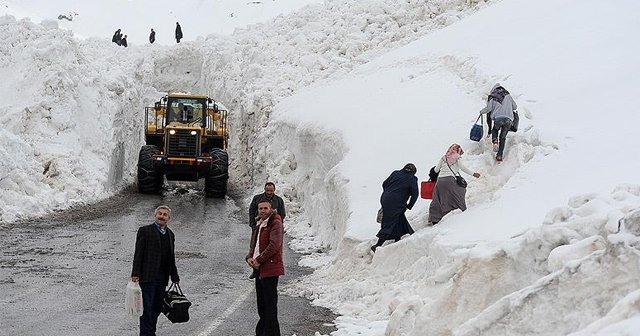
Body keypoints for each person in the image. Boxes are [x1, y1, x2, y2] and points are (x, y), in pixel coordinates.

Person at [131, 205, 180, 336]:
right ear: (155, 215)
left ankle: (151, 332)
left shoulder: (170, 234)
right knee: (146, 308)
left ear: (168, 218)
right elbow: (138, 253)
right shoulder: (145, 231)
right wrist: (135, 273)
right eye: (159, 213)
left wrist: (174, 275)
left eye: (164, 215)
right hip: (147, 277)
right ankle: (146, 334)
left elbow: (171, 257)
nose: (161, 216)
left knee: (157, 307)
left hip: (162, 278)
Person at [246, 200, 284, 336]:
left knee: (270, 305)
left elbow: (274, 245)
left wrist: (258, 260)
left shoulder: (275, 223)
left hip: (270, 268)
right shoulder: (260, 223)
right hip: (260, 269)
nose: (262, 211)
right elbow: (254, 243)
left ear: (271, 209)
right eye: (260, 208)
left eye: (265, 208)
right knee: (262, 305)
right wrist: (250, 257)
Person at [371, 163, 419, 252]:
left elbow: (384, 184)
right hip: (396, 203)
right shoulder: (412, 178)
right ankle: (377, 246)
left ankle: (398, 236)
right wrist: (409, 205)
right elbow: (415, 194)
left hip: (385, 199)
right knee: (390, 221)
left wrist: (389, 192)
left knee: (399, 217)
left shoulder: (396, 173)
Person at [428, 144, 480, 225]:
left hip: (440, 181)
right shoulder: (457, 157)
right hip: (449, 180)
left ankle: (435, 218)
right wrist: (473, 174)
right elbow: (462, 168)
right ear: (458, 150)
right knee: (459, 193)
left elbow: (436, 169)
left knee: (438, 199)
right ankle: (460, 211)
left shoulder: (444, 157)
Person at [479, 83, 518, 161]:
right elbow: (515, 107)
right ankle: (499, 155)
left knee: (495, 129)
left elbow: (489, 108)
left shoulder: (493, 97)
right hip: (508, 119)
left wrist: (481, 112)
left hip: (498, 118)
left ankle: (495, 141)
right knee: (503, 137)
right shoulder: (508, 96)